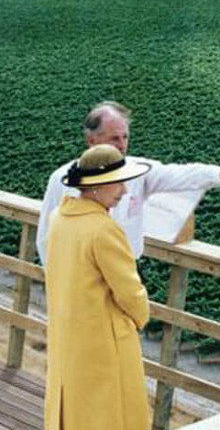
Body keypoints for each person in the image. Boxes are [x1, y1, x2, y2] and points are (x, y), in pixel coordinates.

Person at [37, 101, 220, 264]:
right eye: (115, 138)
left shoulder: (138, 171)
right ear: (91, 141)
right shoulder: (62, 180)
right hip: (79, 278)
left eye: (125, 137)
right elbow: (45, 237)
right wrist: (59, 281)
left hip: (125, 271)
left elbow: (180, 174)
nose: (122, 145)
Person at [44, 144, 152, 430]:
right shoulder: (103, 229)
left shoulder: (59, 219)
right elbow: (130, 291)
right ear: (95, 187)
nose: (124, 191)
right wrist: (141, 318)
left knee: (76, 408)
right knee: (112, 414)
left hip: (69, 333)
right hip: (105, 340)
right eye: (118, 183)